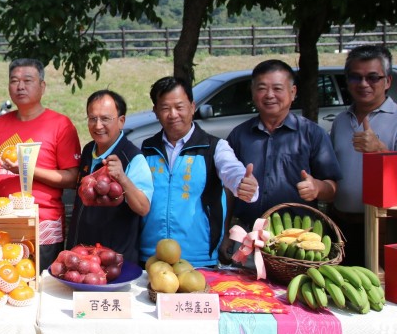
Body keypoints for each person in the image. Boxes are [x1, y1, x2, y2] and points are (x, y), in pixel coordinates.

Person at [141, 76, 258, 267]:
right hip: (151, 256)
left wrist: (242, 184)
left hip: (199, 258)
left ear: (192, 107)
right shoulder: (147, 149)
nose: (173, 114)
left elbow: (232, 170)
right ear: (155, 112)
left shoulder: (214, 147)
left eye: (179, 107)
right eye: (165, 108)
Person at [0, 58, 81, 269]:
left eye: (27, 80)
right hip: (2, 220)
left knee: (42, 289)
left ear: (42, 86)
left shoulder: (60, 125)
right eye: (14, 80)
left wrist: (27, 170)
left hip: (43, 222)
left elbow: (73, 178)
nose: (20, 86)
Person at [226, 59, 342, 233]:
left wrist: (317, 187)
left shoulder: (311, 134)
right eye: (262, 88)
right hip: (248, 235)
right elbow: (226, 191)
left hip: (298, 237)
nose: (269, 95)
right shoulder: (239, 136)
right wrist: (226, 232)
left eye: (277, 88)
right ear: (253, 92)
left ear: (293, 92)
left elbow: (332, 190)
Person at [67, 90, 153, 265]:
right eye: (92, 118)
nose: (98, 125)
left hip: (114, 262)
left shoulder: (132, 157)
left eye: (105, 119)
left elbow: (143, 207)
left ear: (121, 121)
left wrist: (122, 178)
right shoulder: (88, 150)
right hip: (82, 257)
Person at [330, 45, 397, 266]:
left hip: (386, 229)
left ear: (387, 81)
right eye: (356, 77)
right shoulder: (340, 121)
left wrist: (381, 150)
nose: (363, 84)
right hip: (341, 226)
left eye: (372, 77)